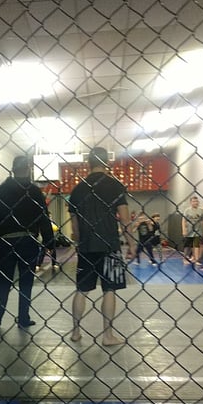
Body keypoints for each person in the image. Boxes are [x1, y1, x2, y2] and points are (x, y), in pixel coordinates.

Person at [67, 147, 135, 345]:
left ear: (88, 163)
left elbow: (74, 225)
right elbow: (124, 219)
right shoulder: (115, 186)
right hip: (110, 245)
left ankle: (76, 332)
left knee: (81, 290)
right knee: (109, 290)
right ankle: (107, 335)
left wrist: (79, 242)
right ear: (107, 162)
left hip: (86, 246)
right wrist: (131, 244)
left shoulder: (77, 190)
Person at [0, 155, 54, 329]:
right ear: (29, 169)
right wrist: (49, 242)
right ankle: (23, 317)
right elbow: (43, 218)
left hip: (7, 240)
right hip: (28, 239)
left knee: (3, 281)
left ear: (13, 170)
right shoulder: (34, 191)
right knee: (26, 281)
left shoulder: (1, 191)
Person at [182, 195, 203, 264]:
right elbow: (183, 220)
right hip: (189, 230)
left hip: (198, 230)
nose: (195, 203)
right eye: (194, 201)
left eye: (197, 201)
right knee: (188, 245)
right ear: (191, 202)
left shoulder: (201, 210)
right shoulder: (187, 210)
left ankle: (196, 259)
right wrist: (184, 230)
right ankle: (185, 258)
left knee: (196, 245)